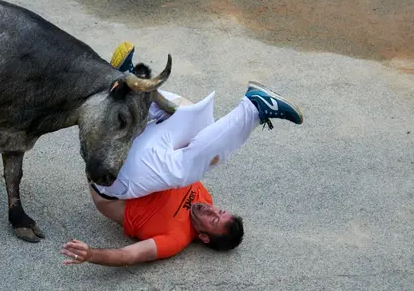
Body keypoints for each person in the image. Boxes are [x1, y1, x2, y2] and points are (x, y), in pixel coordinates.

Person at [60, 42, 304, 267]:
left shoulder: (175, 238)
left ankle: (255, 109)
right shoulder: (204, 198)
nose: (211, 210)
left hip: (113, 182)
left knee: (181, 171)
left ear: (205, 237)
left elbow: (130, 255)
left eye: (214, 220)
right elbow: (190, 148)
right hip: (137, 159)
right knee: (192, 116)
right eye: (219, 211)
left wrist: (91, 254)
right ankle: (130, 85)